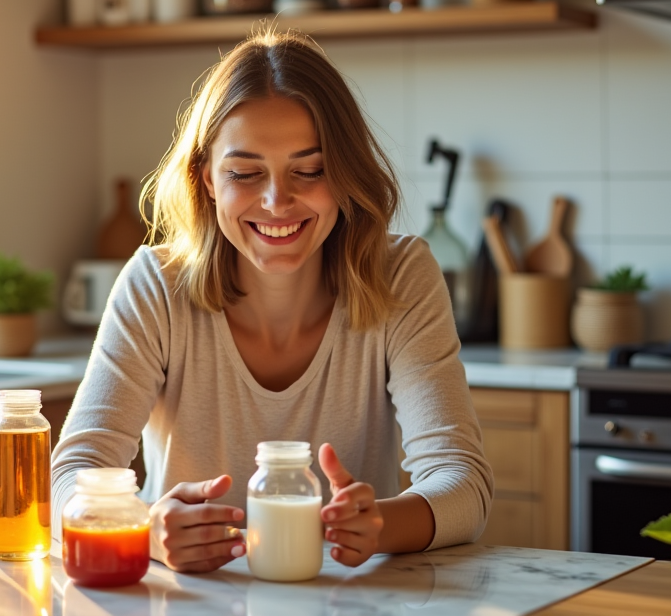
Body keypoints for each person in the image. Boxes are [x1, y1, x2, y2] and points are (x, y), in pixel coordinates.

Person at [51, 29, 493, 573]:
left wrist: (378, 524)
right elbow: (74, 471)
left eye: (309, 171)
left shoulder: (400, 275)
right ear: (208, 178)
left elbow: (463, 484)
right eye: (244, 173)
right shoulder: (155, 286)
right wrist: (145, 530)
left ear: (346, 174)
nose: (277, 201)